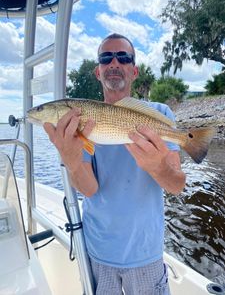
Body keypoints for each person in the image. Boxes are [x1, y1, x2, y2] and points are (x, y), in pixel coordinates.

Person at [44, 33, 186, 295]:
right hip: (98, 250)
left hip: (145, 252)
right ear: (98, 72)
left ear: (134, 70)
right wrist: (71, 160)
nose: (114, 63)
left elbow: (177, 185)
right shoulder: (82, 122)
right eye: (105, 57)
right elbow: (89, 189)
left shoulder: (161, 114)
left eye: (123, 57)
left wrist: (158, 166)